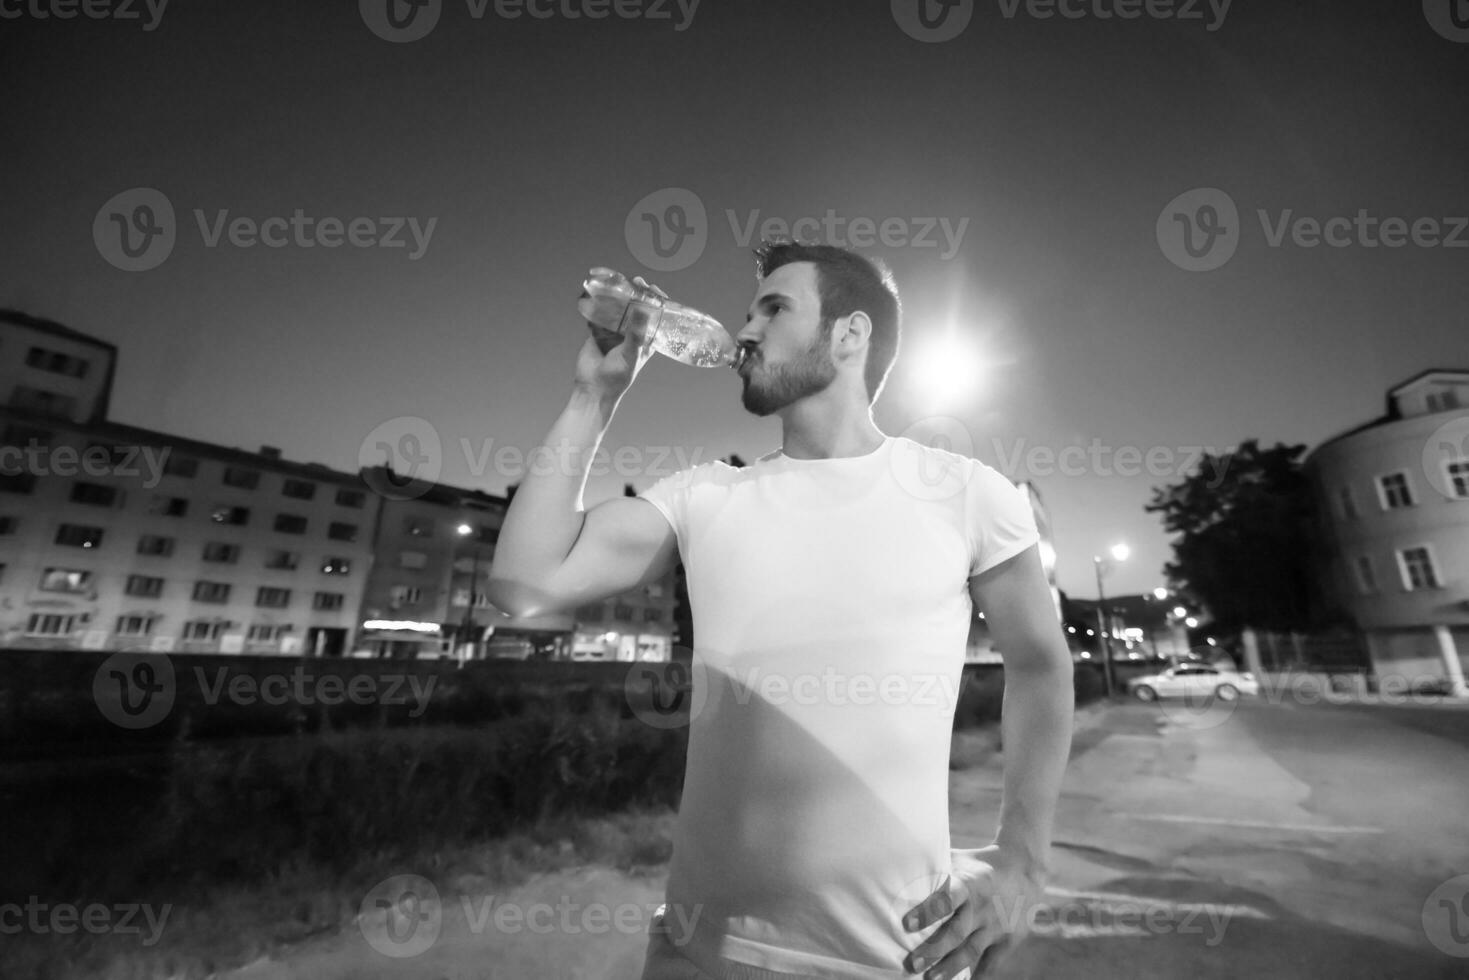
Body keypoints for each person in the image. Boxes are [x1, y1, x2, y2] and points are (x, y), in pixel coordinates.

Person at [487, 242, 1074, 980]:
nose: (746, 332)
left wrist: (1022, 865)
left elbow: (1040, 667)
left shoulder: (965, 492)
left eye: (774, 309)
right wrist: (592, 396)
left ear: (849, 334)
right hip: (696, 959)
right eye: (746, 313)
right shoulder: (705, 494)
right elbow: (524, 580)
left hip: (895, 962)